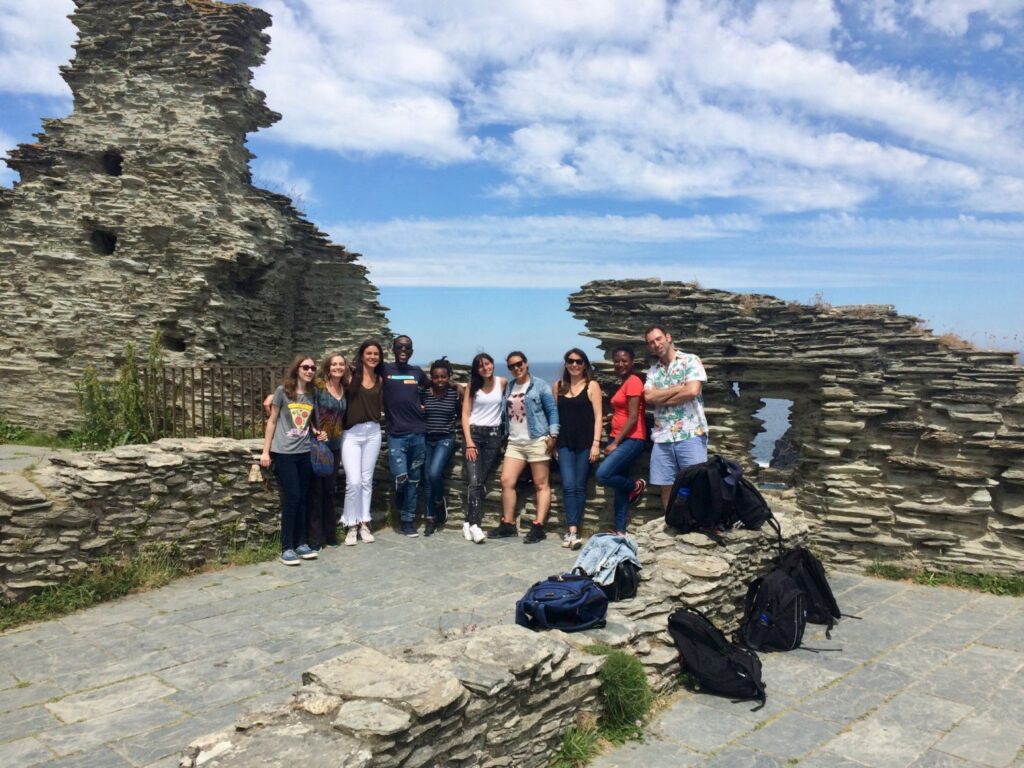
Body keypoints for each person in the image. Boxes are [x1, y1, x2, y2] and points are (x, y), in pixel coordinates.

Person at [260, 354, 324, 565]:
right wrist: (265, 452)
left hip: (304, 451)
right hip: (285, 452)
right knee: (293, 497)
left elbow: (306, 422)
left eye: (313, 368)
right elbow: (272, 421)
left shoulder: (312, 393)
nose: (309, 371)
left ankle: (301, 543)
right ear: (296, 369)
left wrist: (316, 431)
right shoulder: (282, 392)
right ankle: (286, 547)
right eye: (305, 367)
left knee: (304, 497)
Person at [490, 351, 559, 543]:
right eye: (512, 366)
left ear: (526, 364)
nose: (516, 368)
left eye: (519, 364)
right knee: (506, 480)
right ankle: (508, 524)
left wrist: (553, 434)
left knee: (541, 484)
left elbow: (552, 410)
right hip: (515, 441)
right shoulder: (510, 386)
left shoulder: (539, 385)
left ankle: (538, 526)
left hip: (537, 440)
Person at [643, 325, 709, 512]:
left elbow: (692, 391)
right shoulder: (653, 371)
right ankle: (672, 523)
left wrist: (661, 397)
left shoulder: (690, 360)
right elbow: (648, 398)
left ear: (668, 337)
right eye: (651, 343)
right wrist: (679, 388)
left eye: (658, 339)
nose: (656, 344)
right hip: (662, 436)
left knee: (697, 483)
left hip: (691, 433)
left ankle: (698, 527)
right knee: (667, 486)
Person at [595, 346, 648, 534]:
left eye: (624, 360)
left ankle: (636, 486)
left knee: (603, 475)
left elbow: (633, 417)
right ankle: (620, 530)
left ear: (632, 362)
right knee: (619, 489)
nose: (620, 364)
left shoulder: (633, 381)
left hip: (632, 439)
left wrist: (615, 442)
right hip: (620, 435)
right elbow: (624, 411)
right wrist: (610, 418)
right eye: (616, 360)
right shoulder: (624, 382)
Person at [554, 348, 603, 549]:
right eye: (571, 361)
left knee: (580, 486)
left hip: (585, 443)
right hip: (564, 443)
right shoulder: (558, 386)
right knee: (568, 485)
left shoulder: (592, 386)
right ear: (566, 363)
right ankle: (572, 530)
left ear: (585, 365)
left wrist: (596, 444)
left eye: (579, 361)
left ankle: (575, 531)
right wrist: (553, 442)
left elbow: (599, 416)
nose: (575, 365)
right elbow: (553, 416)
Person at [382, 335, 428, 537]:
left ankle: (407, 520)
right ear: (393, 349)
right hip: (396, 434)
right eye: (399, 346)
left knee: (414, 480)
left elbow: (431, 388)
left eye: (407, 347)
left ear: (411, 351)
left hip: (418, 433)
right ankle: (399, 493)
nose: (403, 349)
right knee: (401, 477)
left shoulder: (417, 372)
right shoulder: (385, 370)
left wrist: (458, 388)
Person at [341, 339, 384, 546]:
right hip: (352, 434)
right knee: (354, 482)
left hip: (373, 432)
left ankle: (364, 522)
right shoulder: (350, 375)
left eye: (376, 354)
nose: (373, 357)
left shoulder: (380, 379)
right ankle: (350, 524)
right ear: (362, 355)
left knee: (367, 481)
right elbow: (324, 383)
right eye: (369, 353)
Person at [461, 352, 506, 544]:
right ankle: (475, 525)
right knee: (474, 480)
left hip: (494, 436)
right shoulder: (472, 386)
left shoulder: (502, 382)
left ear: (493, 364)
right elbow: (465, 415)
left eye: (487, 364)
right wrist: (469, 442)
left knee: (481, 480)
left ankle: (467, 521)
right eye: (480, 366)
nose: (485, 368)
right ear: (476, 369)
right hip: (474, 435)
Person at [307, 352, 349, 550]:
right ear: (328, 367)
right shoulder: (319, 387)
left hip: (335, 446)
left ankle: (330, 534)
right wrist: (314, 430)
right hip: (318, 445)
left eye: (341, 364)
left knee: (330, 491)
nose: (338, 367)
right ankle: (315, 539)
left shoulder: (344, 388)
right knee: (316, 492)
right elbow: (302, 404)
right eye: (334, 364)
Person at [420, 357, 462, 536]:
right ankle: (431, 519)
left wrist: (458, 386)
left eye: (443, 377)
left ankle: (439, 500)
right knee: (427, 479)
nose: (440, 380)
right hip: (427, 438)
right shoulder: (424, 393)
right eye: (436, 377)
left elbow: (462, 415)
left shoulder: (455, 393)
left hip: (445, 438)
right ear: (431, 377)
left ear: (449, 376)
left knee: (435, 473)